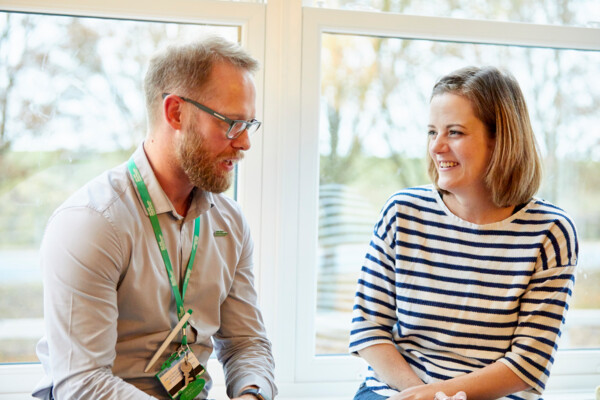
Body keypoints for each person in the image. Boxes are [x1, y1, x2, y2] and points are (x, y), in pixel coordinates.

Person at [32, 36, 276, 400]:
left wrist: (253, 394)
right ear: (176, 113)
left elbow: (247, 344)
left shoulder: (231, 222)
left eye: (248, 125)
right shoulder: (92, 222)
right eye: (231, 123)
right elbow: (82, 384)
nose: (244, 143)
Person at [349, 66, 578, 400]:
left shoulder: (550, 231)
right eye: (432, 132)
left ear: (500, 139)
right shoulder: (402, 213)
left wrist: (437, 396)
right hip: (397, 391)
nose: (437, 147)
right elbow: (368, 329)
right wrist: (422, 395)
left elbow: (528, 362)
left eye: (454, 132)